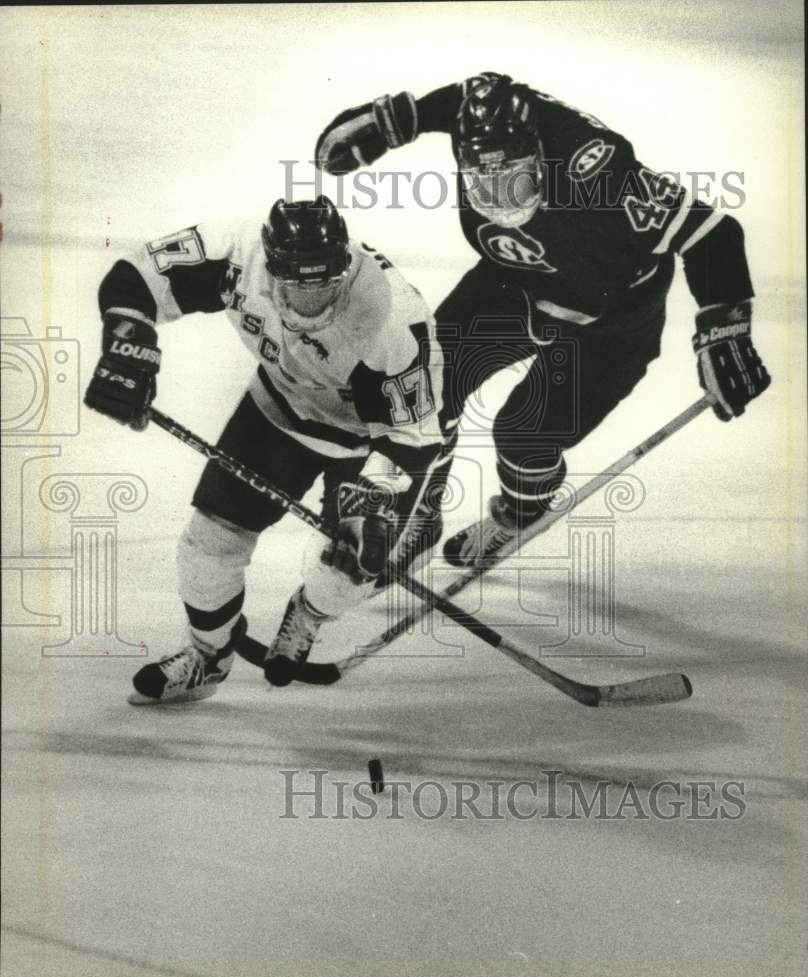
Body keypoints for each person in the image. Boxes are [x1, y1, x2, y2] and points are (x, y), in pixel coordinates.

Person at [314, 71, 771, 568]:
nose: (499, 197)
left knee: (523, 432)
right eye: (482, 179)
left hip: (611, 319)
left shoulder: (596, 171)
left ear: (540, 155)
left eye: (515, 179)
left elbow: (713, 233)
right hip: (517, 283)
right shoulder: (482, 126)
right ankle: (420, 514)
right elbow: (471, 92)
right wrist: (401, 120)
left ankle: (518, 513)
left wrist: (723, 331)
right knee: (428, 382)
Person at [84, 195, 445, 703]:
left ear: (344, 267)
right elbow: (135, 277)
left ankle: (311, 611)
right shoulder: (234, 253)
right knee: (208, 545)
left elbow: (410, 436)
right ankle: (207, 658)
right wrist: (129, 341)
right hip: (277, 411)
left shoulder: (393, 318)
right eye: (297, 284)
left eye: (325, 283)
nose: (311, 300)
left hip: (370, 440)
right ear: (272, 268)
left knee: (351, 569)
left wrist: (374, 504)